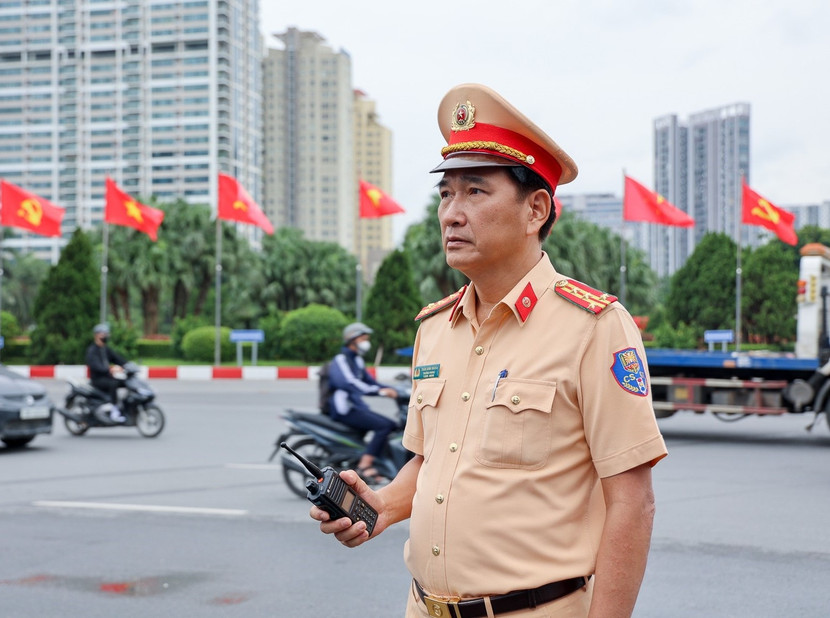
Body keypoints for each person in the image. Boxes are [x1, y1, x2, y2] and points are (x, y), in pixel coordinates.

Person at [311, 84, 668, 617]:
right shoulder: (436, 328)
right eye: (445, 194)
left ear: (535, 210)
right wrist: (380, 505)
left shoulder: (594, 328)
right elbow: (430, 462)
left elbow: (632, 504)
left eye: (475, 191)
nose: (451, 214)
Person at [327, 322, 399, 483]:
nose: (366, 342)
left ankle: (376, 463)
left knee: (392, 425)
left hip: (356, 406)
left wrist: (395, 390)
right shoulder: (341, 359)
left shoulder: (357, 360)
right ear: (352, 339)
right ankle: (365, 466)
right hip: (344, 409)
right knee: (385, 425)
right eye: (363, 338)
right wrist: (380, 392)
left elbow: (370, 382)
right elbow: (349, 383)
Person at [85, 323, 128, 423]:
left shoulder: (105, 349)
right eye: (103, 334)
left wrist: (127, 365)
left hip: (107, 376)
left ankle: (123, 407)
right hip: (98, 379)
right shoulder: (92, 350)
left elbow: (117, 358)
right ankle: (114, 410)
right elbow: (96, 366)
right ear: (96, 335)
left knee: (124, 382)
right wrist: (110, 369)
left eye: (106, 334)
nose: (105, 336)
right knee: (113, 383)